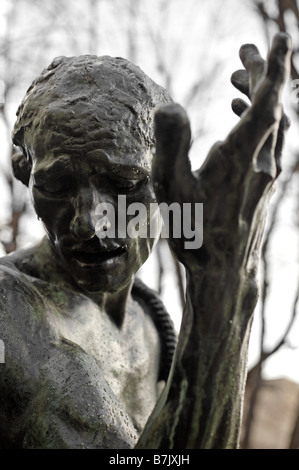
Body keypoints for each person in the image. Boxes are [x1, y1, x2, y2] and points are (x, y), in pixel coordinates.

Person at [0, 33, 291, 449]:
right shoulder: (8, 309)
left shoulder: (152, 320)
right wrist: (222, 289)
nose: (89, 224)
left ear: (169, 181)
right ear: (23, 171)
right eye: (57, 185)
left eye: (123, 184)